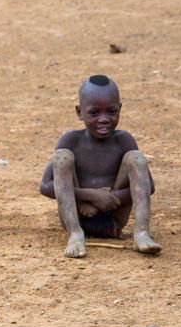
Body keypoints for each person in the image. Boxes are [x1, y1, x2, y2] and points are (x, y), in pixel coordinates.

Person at [39, 74, 162, 258]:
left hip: (114, 217)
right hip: (76, 216)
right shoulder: (70, 140)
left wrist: (109, 199)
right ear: (79, 112)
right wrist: (91, 196)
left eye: (111, 112)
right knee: (61, 157)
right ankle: (74, 235)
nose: (104, 119)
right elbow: (45, 186)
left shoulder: (124, 140)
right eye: (94, 113)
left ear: (120, 109)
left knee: (136, 158)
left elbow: (147, 187)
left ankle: (142, 233)